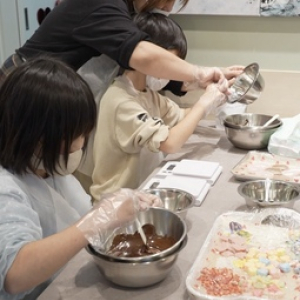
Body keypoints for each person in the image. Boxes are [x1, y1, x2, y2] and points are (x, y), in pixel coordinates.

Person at [0, 57, 161, 300]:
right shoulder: (6, 188)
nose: (81, 143)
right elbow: (14, 274)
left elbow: (79, 217)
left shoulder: (51, 171)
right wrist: (97, 220)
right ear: (36, 134)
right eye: (75, 134)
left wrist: (114, 208)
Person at [89, 13, 228, 201]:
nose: (169, 74)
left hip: (140, 194)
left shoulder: (147, 94)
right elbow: (170, 143)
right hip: (113, 205)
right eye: (167, 65)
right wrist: (204, 104)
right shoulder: (120, 100)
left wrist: (213, 100)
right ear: (148, 58)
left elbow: (181, 116)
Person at [0, 0, 241, 94]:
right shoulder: (103, 4)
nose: (168, 9)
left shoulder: (123, 9)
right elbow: (142, 55)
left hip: (46, 85)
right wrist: (198, 72)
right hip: (23, 86)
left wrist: (204, 78)